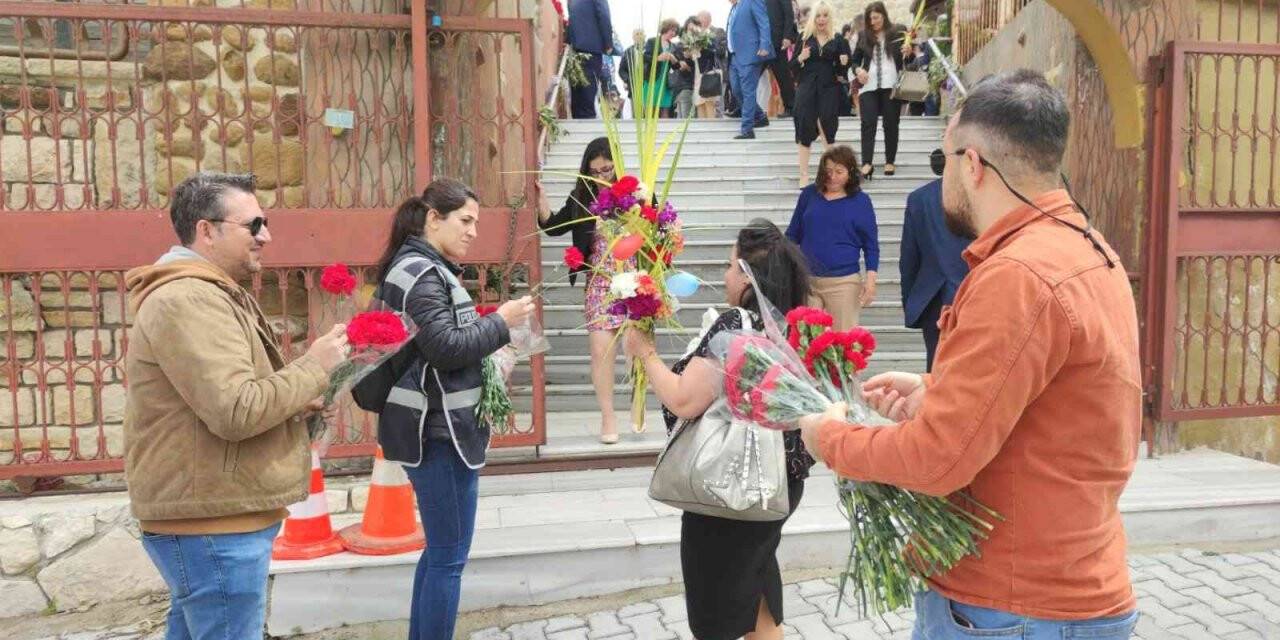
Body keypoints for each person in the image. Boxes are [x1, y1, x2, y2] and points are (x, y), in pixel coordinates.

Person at [799, 70, 1141, 639]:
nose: (944, 176)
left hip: (1011, 606)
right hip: (1073, 585)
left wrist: (828, 438)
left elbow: (938, 461)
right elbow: (1067, 402)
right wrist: (940, 389)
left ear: (974, 163)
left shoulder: (1018, 274)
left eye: (946, 157)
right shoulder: (1086, 246)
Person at [124, 172, 350, 640]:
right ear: (207, 230)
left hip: (214, 511)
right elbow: (235, 410)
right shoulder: (188, 298)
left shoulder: (207, 291)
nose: (266, 236)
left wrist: (294, 404)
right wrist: (315, 365)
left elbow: (228, 398)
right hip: (213, 522)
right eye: (253, 225)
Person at [622, 220, 815, 640]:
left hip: (731, 485)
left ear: (747, 275)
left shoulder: (737, 323)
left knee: (719, 608)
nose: (725, 276)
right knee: (757, 590)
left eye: (730, 266)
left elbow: (685, 399)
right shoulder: (790, 325)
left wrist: (646, 354)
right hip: (777, 482)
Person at [374, 179, 535, 639]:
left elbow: (440, 344)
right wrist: (501, 323)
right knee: (448, 559)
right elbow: (445, 347)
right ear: (433, 218)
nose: (471, 232)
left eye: (476, 223)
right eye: (464, 221)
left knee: (442, 553)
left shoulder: (428, 268)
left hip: (444, 428)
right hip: (436, 432)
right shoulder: (421, 272)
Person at [534, 138, 627, 444]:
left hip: (635, 281)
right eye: (596, 170)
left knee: (640, 351)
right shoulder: (581, 199)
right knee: (601, 351)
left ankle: (644, 410)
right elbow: (553, 226)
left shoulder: (635, 193)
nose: (602, 176)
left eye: (607, 169)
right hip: (599, 283)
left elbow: (660, 227)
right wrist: (541, 196)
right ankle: (608, 416)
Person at [785, 145, 878, 332]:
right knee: (805, 341)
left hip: (843, 283)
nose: (832, 177)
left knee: (842, 343)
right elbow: (792, 234)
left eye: (839, 172)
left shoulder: (861, 201)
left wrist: (870, 280)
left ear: (850, 173)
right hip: (808, 280)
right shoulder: (809, 195)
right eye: (827, 171)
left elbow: (871, 245)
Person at [900, 176, 970, 371]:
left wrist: (911, 300)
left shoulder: (920, 198)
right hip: (980, 291)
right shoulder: (991, 192)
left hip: (935, 297)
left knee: (937, 367)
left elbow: (909, 259)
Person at [790, 1, 850, 185]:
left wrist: (844, 62)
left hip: (828, 88)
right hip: (807, 88)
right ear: (813, 18)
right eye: (818, 15)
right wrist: (801, 57)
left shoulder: (838, 39)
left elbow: (843, 72)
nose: (821, 19)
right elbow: (792, 66)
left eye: (825, 15)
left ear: (830, 18)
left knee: (828, 128)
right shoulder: (804, 37)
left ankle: (829, 175)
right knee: (804, 128)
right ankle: (804, 175)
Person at [851, 2, 913, 179]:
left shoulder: (898, 31)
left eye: (876, 18)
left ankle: (890, 161)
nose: (873, 22)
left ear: (884, 16)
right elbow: (854, 61)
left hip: (891, 84)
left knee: (891, 123)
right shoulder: (863, 35)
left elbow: (909, 58)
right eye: (870, 19)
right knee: (868, 124)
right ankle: (866, 163)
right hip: (868, 85)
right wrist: (858, 70)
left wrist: (908, 52)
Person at [726, 0, 774, 139]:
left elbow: (763, 22)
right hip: (734, 56)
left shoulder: (753, 1)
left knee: (748, 91)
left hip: (750, 53)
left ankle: (747, 129)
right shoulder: (735, 7)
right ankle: (759, 116)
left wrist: (765, 45)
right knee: (736, 89)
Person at [565, 0, 614, 119]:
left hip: (575, 48)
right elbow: (603, 15)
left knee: (577, 97)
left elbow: (572, 20)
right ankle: (587, 129)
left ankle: (579, 125)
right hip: (592, 48)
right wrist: (608, 43)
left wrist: (567, 40)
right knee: (588, 95)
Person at [764, 0, 798, 117]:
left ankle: (791, 107)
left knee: (783, 75)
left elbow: (789, 14)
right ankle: (741, 107)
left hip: (778, 41)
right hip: (760, 42)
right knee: (750, 76)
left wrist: (787, 36)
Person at [641, 19, 681, 118]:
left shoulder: (674, 46)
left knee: (665, 109)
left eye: (675, 31)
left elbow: (677, 67)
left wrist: (673, 59)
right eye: (672, 30)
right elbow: (644, 57)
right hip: (652, 79)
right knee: (650, 109)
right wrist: (657, 58)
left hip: (666, 82)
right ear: (665, 28)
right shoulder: (652, 41)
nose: (673, 33)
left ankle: (664, 133)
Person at [670, 17, 702, 120]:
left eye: (694, 29)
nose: (692, 31)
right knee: (687, 120)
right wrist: (683, 62)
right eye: (689, 29)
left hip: (700, 87)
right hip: (685, 87)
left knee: (690, 119)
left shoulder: (703, 44)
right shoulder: (679, 46)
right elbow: (676, 66)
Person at [618, 29, 645, 114]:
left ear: (645, 36)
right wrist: (627, 80)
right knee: (636, 114)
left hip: (648, 85)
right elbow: (621, 70)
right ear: (633, 37)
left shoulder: (650, 50)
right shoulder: (628, 52)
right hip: (634, 87)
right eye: (637, 34)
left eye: (641, 34)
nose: (639, 36)